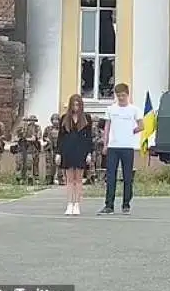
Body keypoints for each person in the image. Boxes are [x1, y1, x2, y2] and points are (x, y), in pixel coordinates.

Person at [98, 83, 143, 215]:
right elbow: (107, 128)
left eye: (123, 95)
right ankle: (109, 205)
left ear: (128, 95)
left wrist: (131, 131)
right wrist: (105, 144)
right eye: (119, 96)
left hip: (127, 147)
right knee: (111, 176)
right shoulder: (111, 109)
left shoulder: (134, 110)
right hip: (113, 146)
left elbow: (142, 126)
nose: (121, 98)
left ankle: (126, 204)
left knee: (127, 176)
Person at [57, 95, 93, 215]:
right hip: (67, 151)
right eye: (73, 105)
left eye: (78, 105)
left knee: (78, 180)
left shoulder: (87, 118)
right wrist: (58, 153)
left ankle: (77, 204)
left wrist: (89, 153)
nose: (75, 107)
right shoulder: (64, 118)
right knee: (69, 179)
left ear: (81, 105)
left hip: (81, 151)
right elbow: (60, 138)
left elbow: (89, 138)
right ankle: (69, 204)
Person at [15, 115, 42, 185]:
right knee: (21, 163)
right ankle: (21, 179)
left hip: (33, 148)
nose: (28, 122)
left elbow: (35, 138)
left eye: (27, 120)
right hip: (22, 148)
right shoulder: (20, 128)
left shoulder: (37, 128)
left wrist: (27, 139)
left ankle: (35, 178)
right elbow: (15, 137)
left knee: (33, 164)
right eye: (25, 120)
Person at [43, 114, 61, 185]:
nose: (55, 121)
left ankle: (61, 178)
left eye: (57, 120)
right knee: (49, 164)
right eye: (54, 120)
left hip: (59, 149)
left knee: (59, 163)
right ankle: (49, 179)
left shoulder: (61, 129)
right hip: (49, 148)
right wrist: (47, 140)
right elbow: (44, 137)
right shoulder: (48, 129)